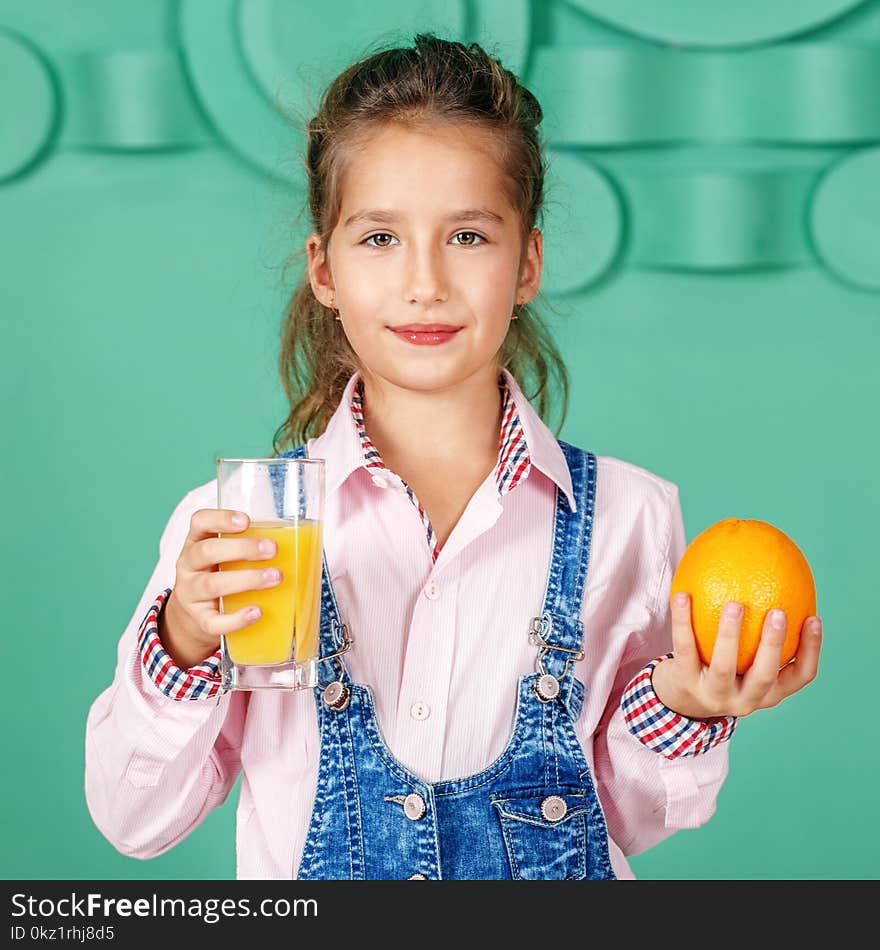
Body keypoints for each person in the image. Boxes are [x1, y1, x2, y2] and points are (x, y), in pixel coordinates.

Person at [84, 33, 822, 881]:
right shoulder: (237, 535)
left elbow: (612, 818)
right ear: (324, 270)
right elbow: (134, 822)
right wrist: (181, 643)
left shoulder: (631, 517)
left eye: (468, 237)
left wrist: (685, 707)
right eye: (379, 239)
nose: (425, 281)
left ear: (527, 263)